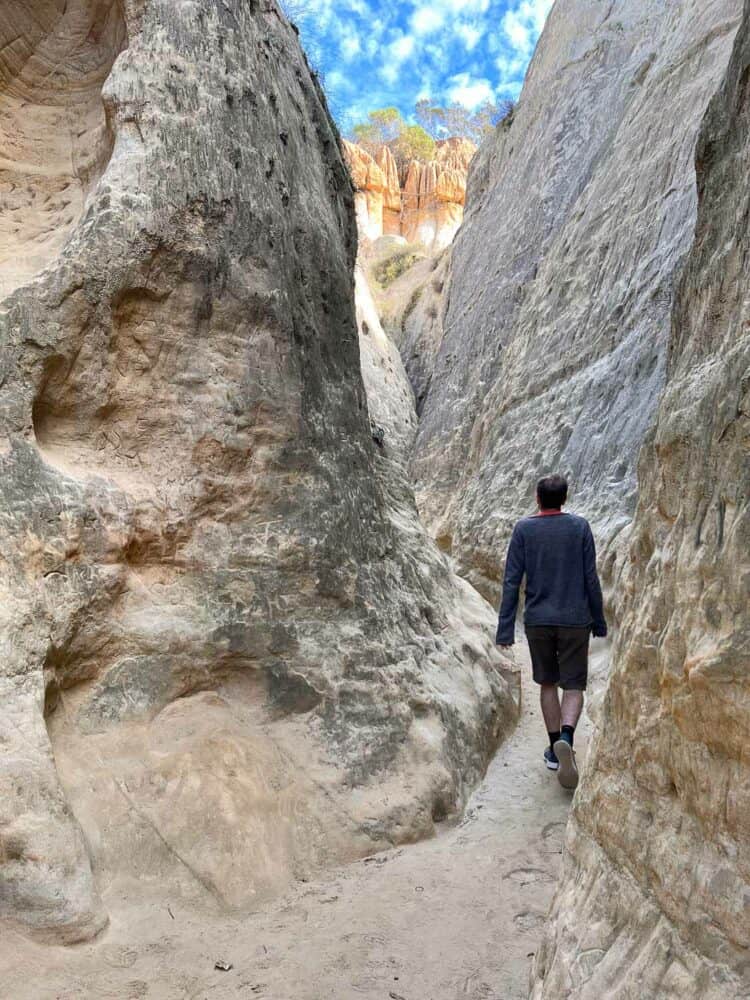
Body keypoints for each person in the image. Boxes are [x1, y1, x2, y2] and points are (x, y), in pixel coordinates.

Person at [495, 474, 607, 790]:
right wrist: (598, 619)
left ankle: (554, 747)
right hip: (575, 620)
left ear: (537, 498)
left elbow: (511, 581)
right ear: (565, 499)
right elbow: (591, 578)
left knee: (547, 683)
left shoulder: (524, 530)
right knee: (573, 685)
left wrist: (505, 629)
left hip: (539, 621)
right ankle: (569, 736)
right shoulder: (580, 528)